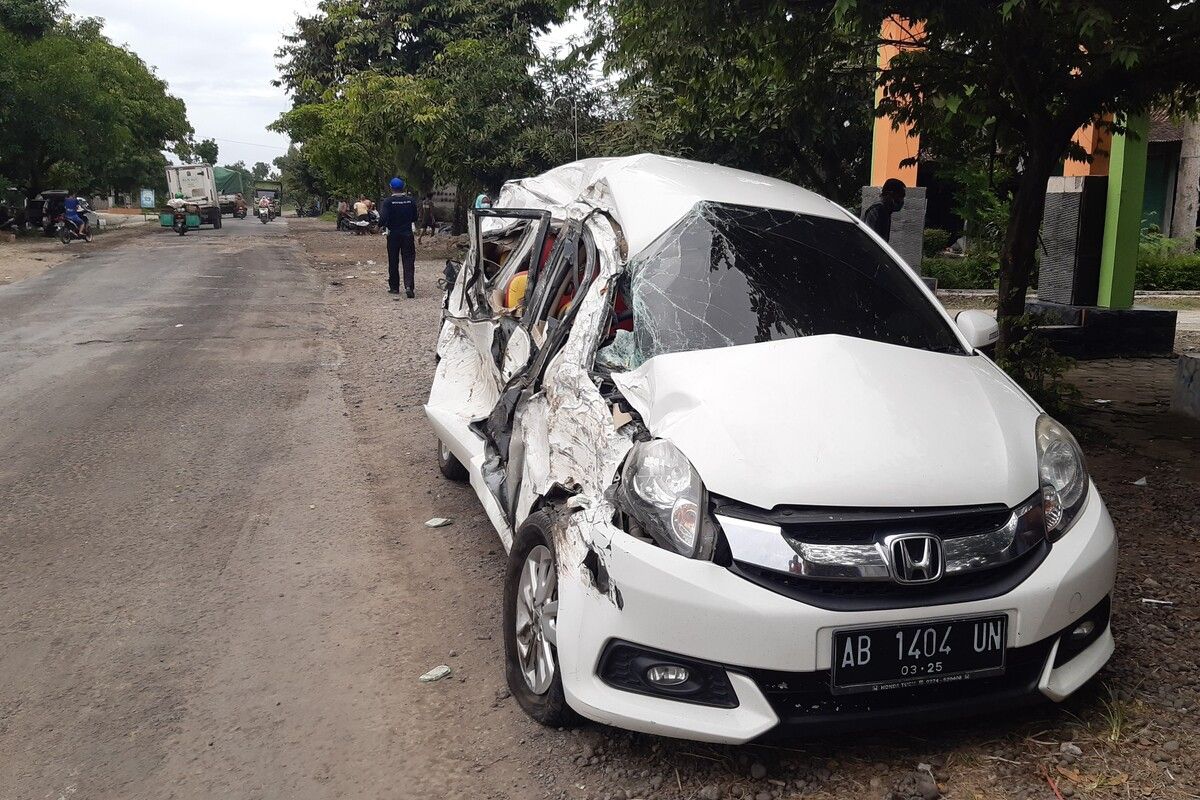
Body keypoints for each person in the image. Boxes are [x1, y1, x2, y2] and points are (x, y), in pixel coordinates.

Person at [379, 177, 417, 297]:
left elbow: (383, 218)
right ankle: (408, 286)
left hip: (393, 235)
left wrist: (380, 225)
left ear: (391, 187)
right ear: (403, 187)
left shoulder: (388, 202)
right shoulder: (410, 201)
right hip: (407, 234)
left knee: (393, 260)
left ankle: (394, 287)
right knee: (408, 260)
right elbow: (415, 217)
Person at [861, 178, 906, 242]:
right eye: (901, 196)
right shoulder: (877, 211)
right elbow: (870, 240)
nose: (901, 200)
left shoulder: (886, 211)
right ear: (890, 194)